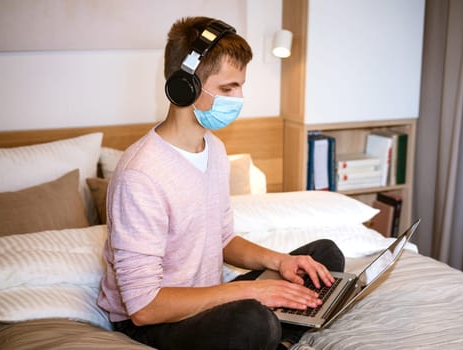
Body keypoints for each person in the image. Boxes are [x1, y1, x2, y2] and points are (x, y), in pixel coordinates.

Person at [98, 16, 345, 350]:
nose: (239, 98)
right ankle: (279, 333)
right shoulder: (139, 175)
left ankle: (281, 334)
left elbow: (223, 238)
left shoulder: (214, 148)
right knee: (254, 321)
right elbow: (144, 308)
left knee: (323, 258)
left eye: (241, 85)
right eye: (228, 88)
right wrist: (250, 291)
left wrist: (280, 262)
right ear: (184, 85)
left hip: (209, 300)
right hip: (156, 320)